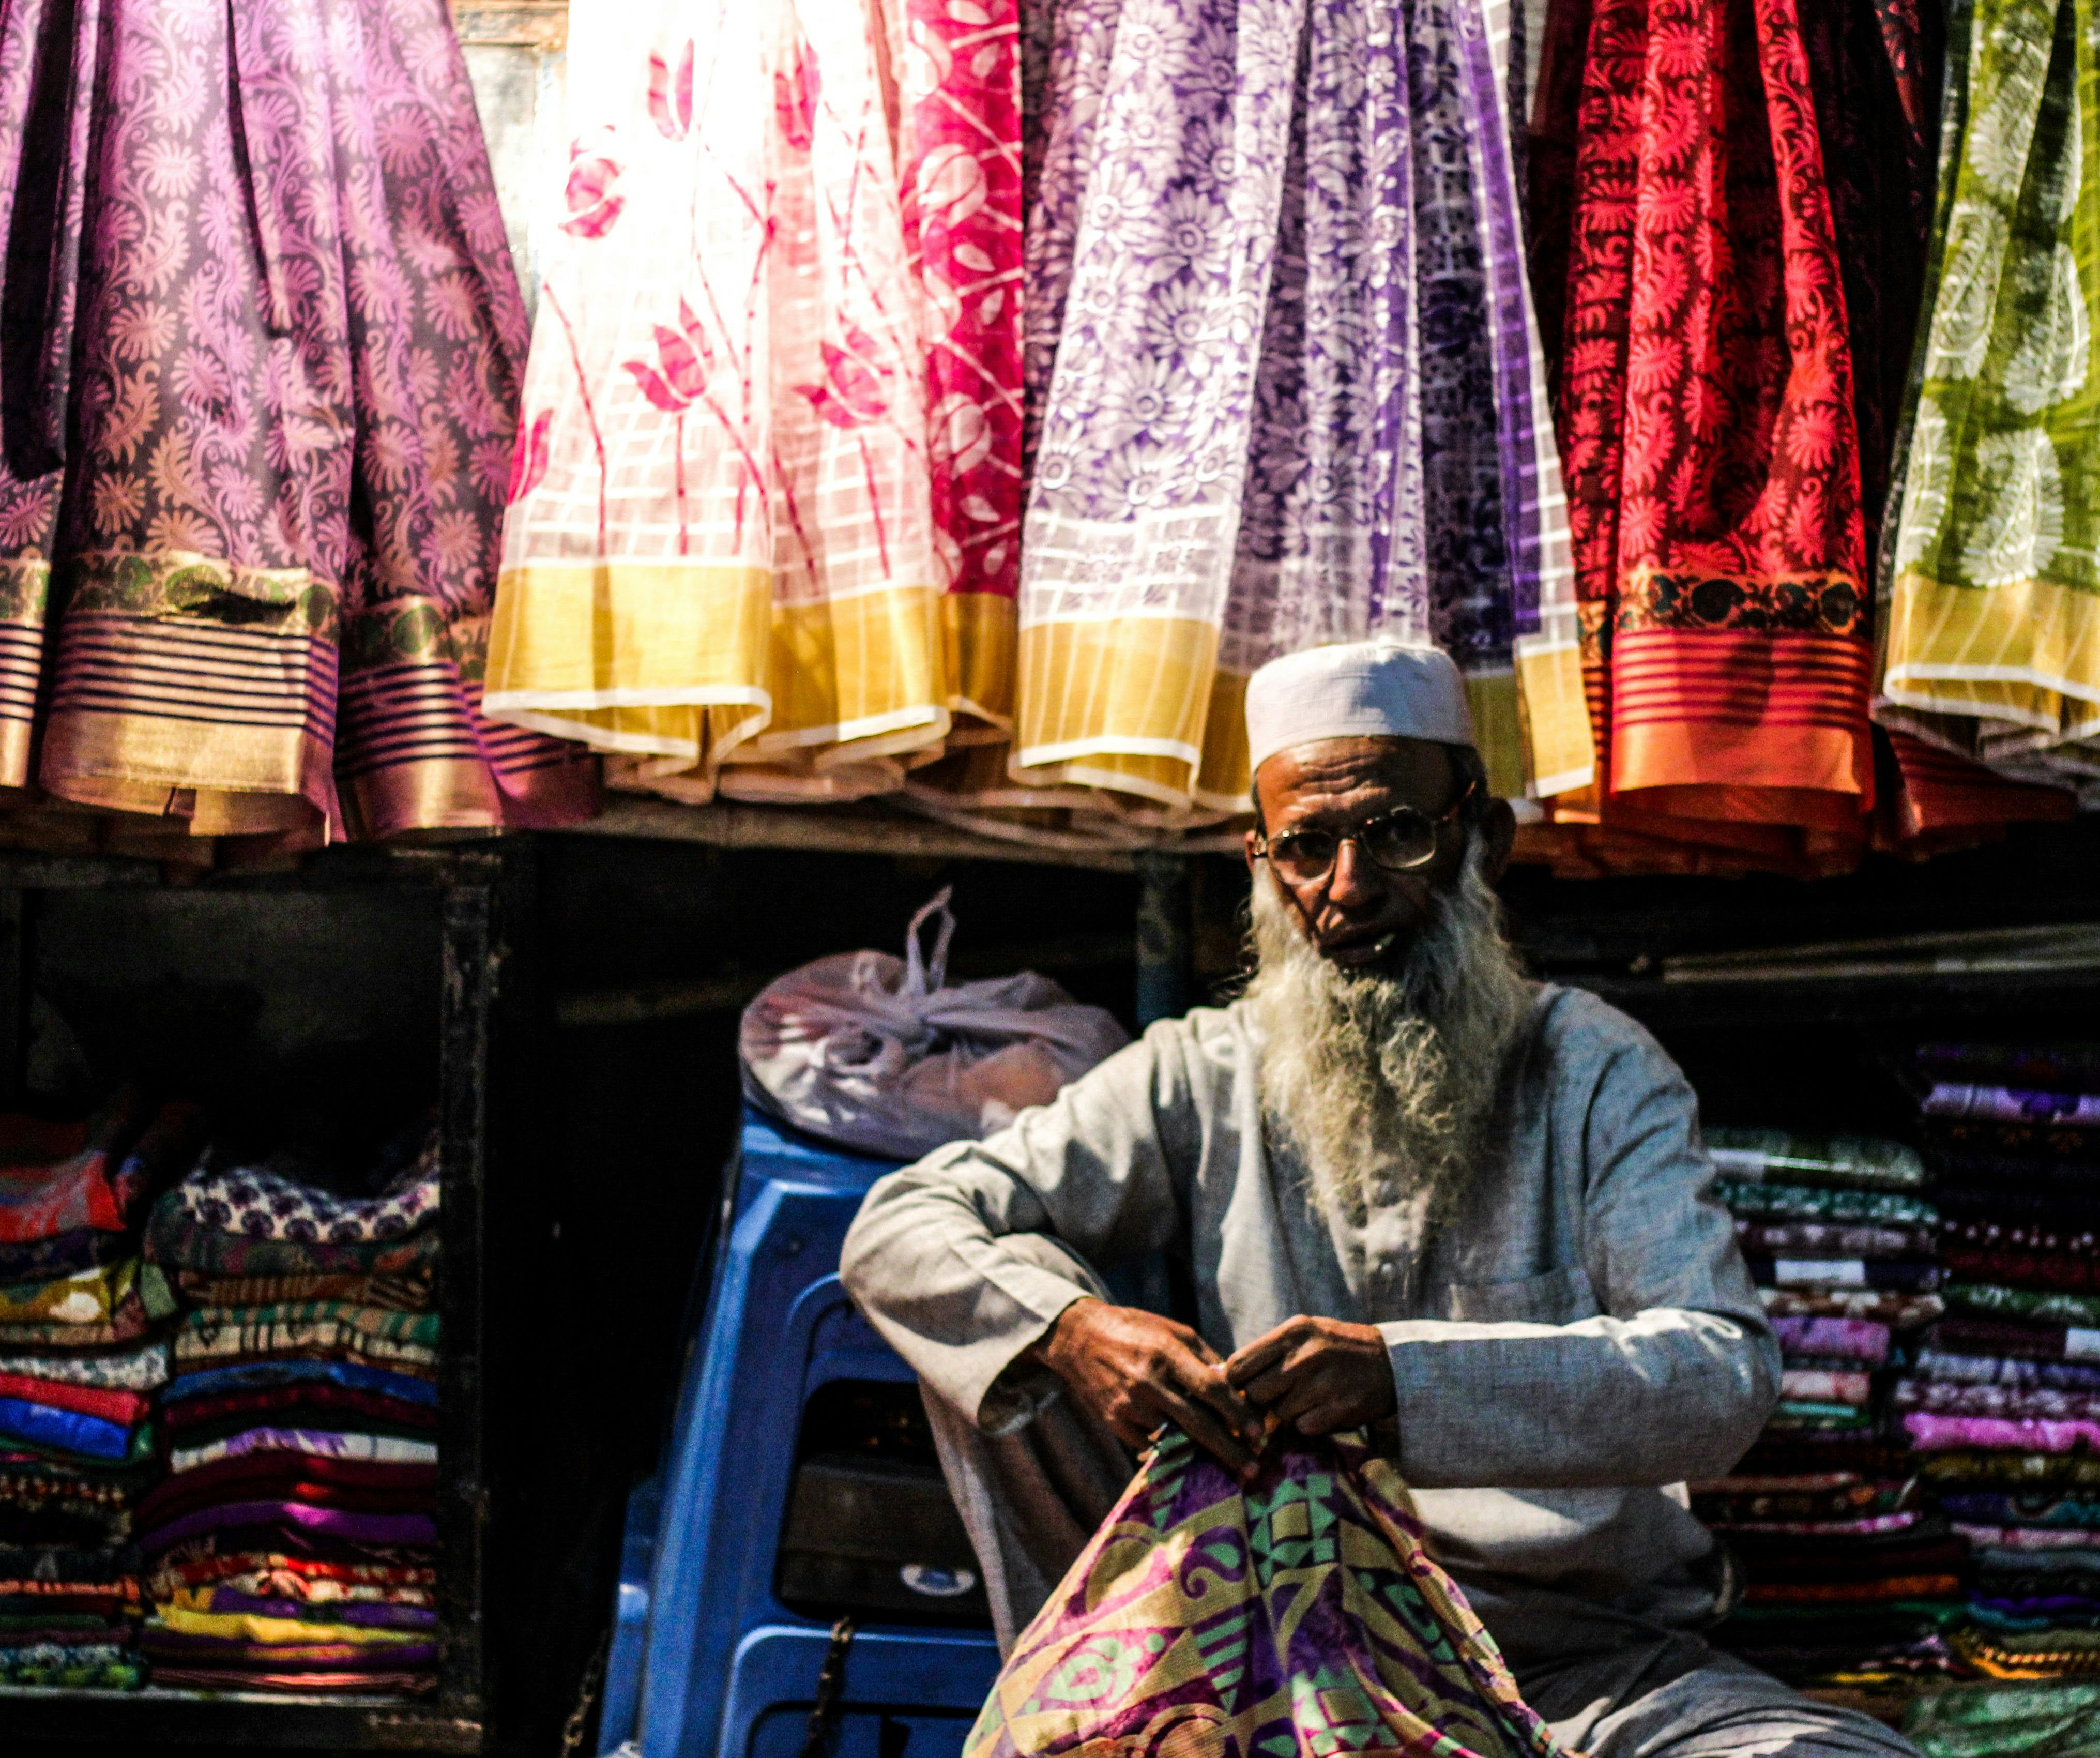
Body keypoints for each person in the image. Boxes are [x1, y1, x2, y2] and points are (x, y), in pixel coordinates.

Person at [841, 638, 1919, 1758]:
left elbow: (1720, 1374)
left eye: (1396, 833)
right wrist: (1076, 1331)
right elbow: (905, 1222)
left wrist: (1404, 1377)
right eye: (1306, 847)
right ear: (1262, 863)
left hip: (1578, 1672)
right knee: (1004, 1328)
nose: (1350, 888)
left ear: (1480, 840)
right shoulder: (1202, 1073)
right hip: (1262, 1656)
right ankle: (1116, 1702)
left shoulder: (1596, 1067)